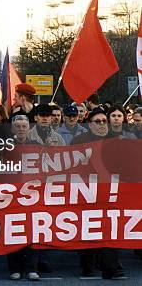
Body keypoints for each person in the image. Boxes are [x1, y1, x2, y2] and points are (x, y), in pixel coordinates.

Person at [70, 108, 124, 279]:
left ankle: (110, 267)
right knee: (89, 228)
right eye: (97, 121)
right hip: (87, 191)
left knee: (110, 229)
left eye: (104, 121)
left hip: (110, 192)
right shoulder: (80, 140)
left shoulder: (116, 141)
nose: (102, 124)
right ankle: (88, 264)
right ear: (89, 124)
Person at [6, 115, 41, 281]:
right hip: (11, 195)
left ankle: (31, 269)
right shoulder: (5, 146)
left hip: (32, 195)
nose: (21, 129)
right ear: (12, 129)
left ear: (29, 128)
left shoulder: (37, 146)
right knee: (13, 231)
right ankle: (14, 268)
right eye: (17, 126)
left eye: (23, 126)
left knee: (31, 232)